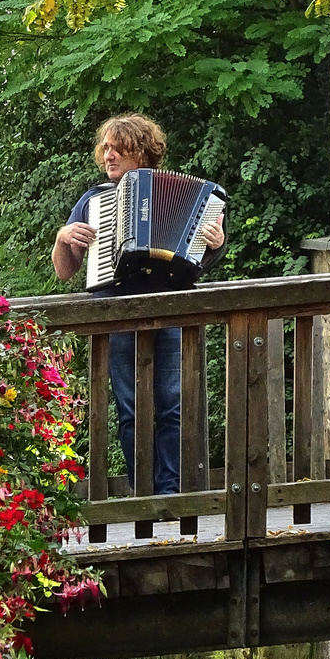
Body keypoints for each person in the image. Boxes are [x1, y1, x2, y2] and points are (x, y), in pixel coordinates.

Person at [52, 114, 224, 495]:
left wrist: (214, 242)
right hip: (113, 313)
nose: (108, 156)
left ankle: (169, 492)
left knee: (172, 406)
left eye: (118, 148)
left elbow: (197, 264)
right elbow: (66, 272)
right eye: (106, 148)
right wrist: (64, 237)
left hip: (168, 308)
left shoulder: (191, 197)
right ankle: (141, 491)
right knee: (129, 409)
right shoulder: (93, 200)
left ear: (142, 153)